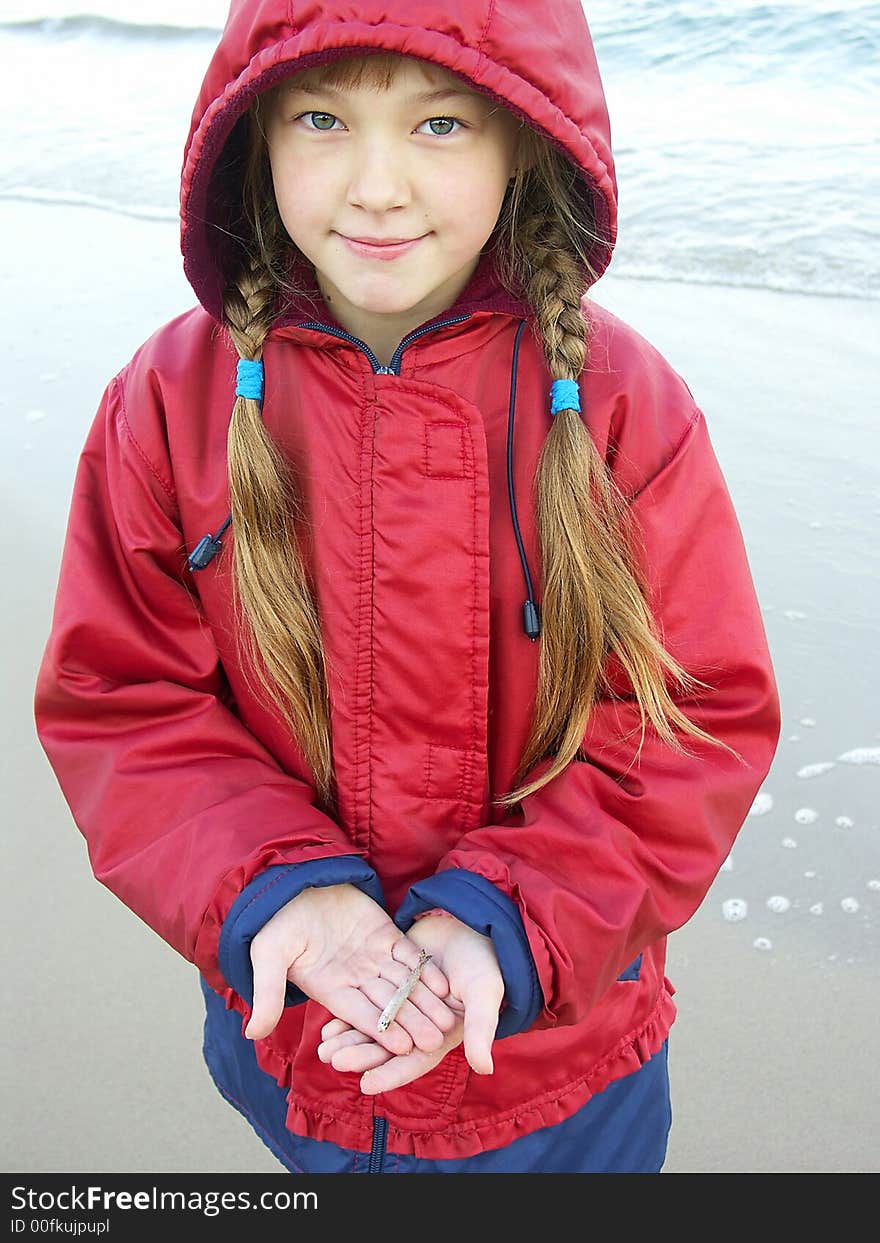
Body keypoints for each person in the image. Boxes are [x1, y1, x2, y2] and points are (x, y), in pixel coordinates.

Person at [33, 0, 781, 1175]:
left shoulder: (625, 403)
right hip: (298, 1044)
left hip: (557, 1069)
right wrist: (280, 894)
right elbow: (123, 697)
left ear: (526, 141)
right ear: (252, 141)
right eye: (322, 119)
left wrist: (506, 924)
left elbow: (691, 725)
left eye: (440, 126)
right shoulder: (168, 398)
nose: (376, 187)